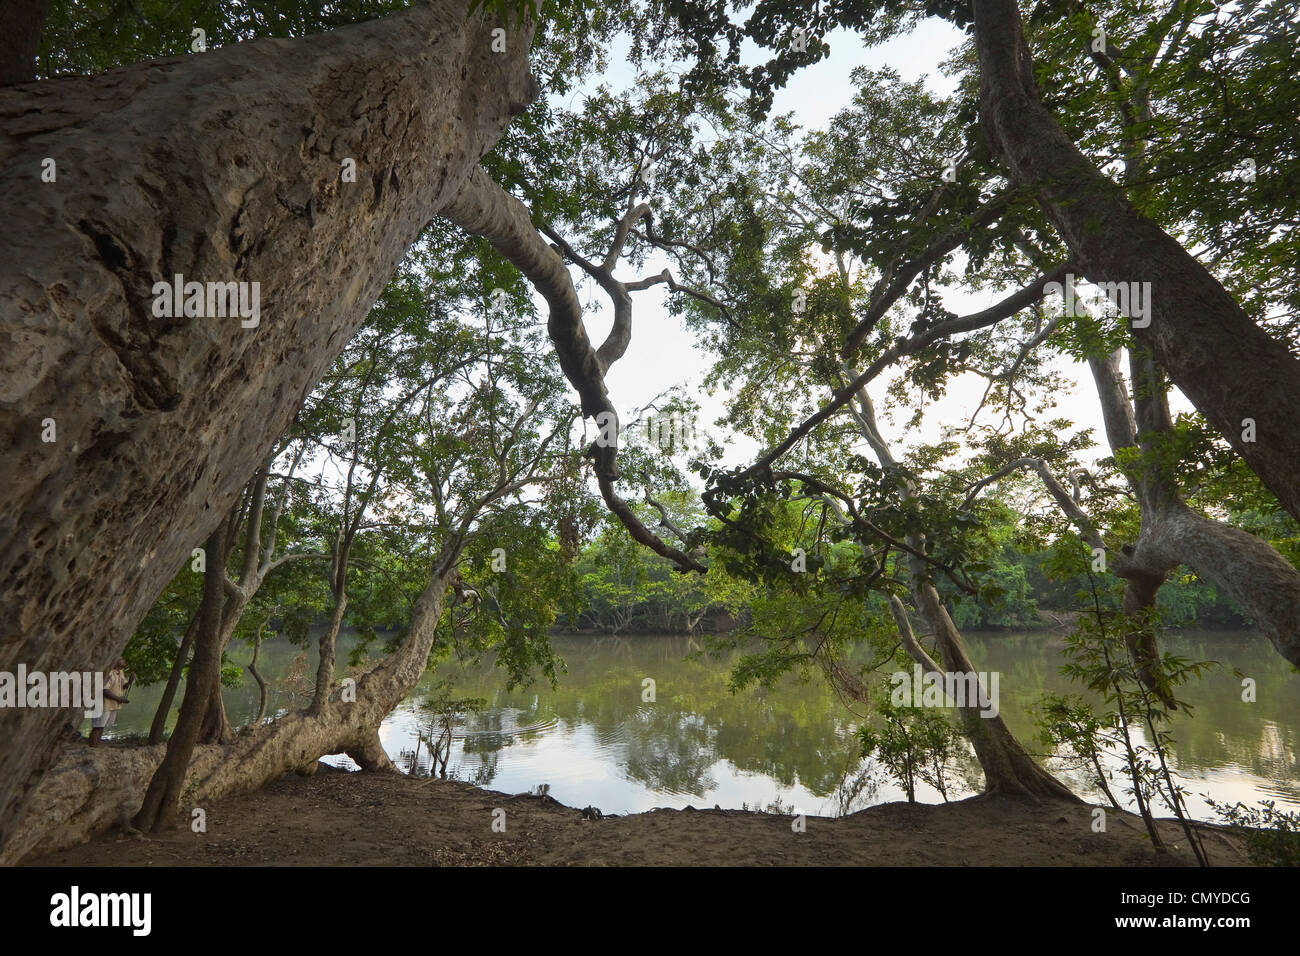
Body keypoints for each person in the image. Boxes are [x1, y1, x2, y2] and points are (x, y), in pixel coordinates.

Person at [89, 657, 130, 747]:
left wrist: (130, 681)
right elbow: (104, 690)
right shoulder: (108, 672)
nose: (124, 661)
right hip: (102, 704)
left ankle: (95, 747)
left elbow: (123, 685)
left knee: (101, 726)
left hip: (111, 705)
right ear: (115, 660)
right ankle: (92, 747)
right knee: (97, 727)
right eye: (121, 659)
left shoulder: (120, 672)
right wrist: (119, 699)